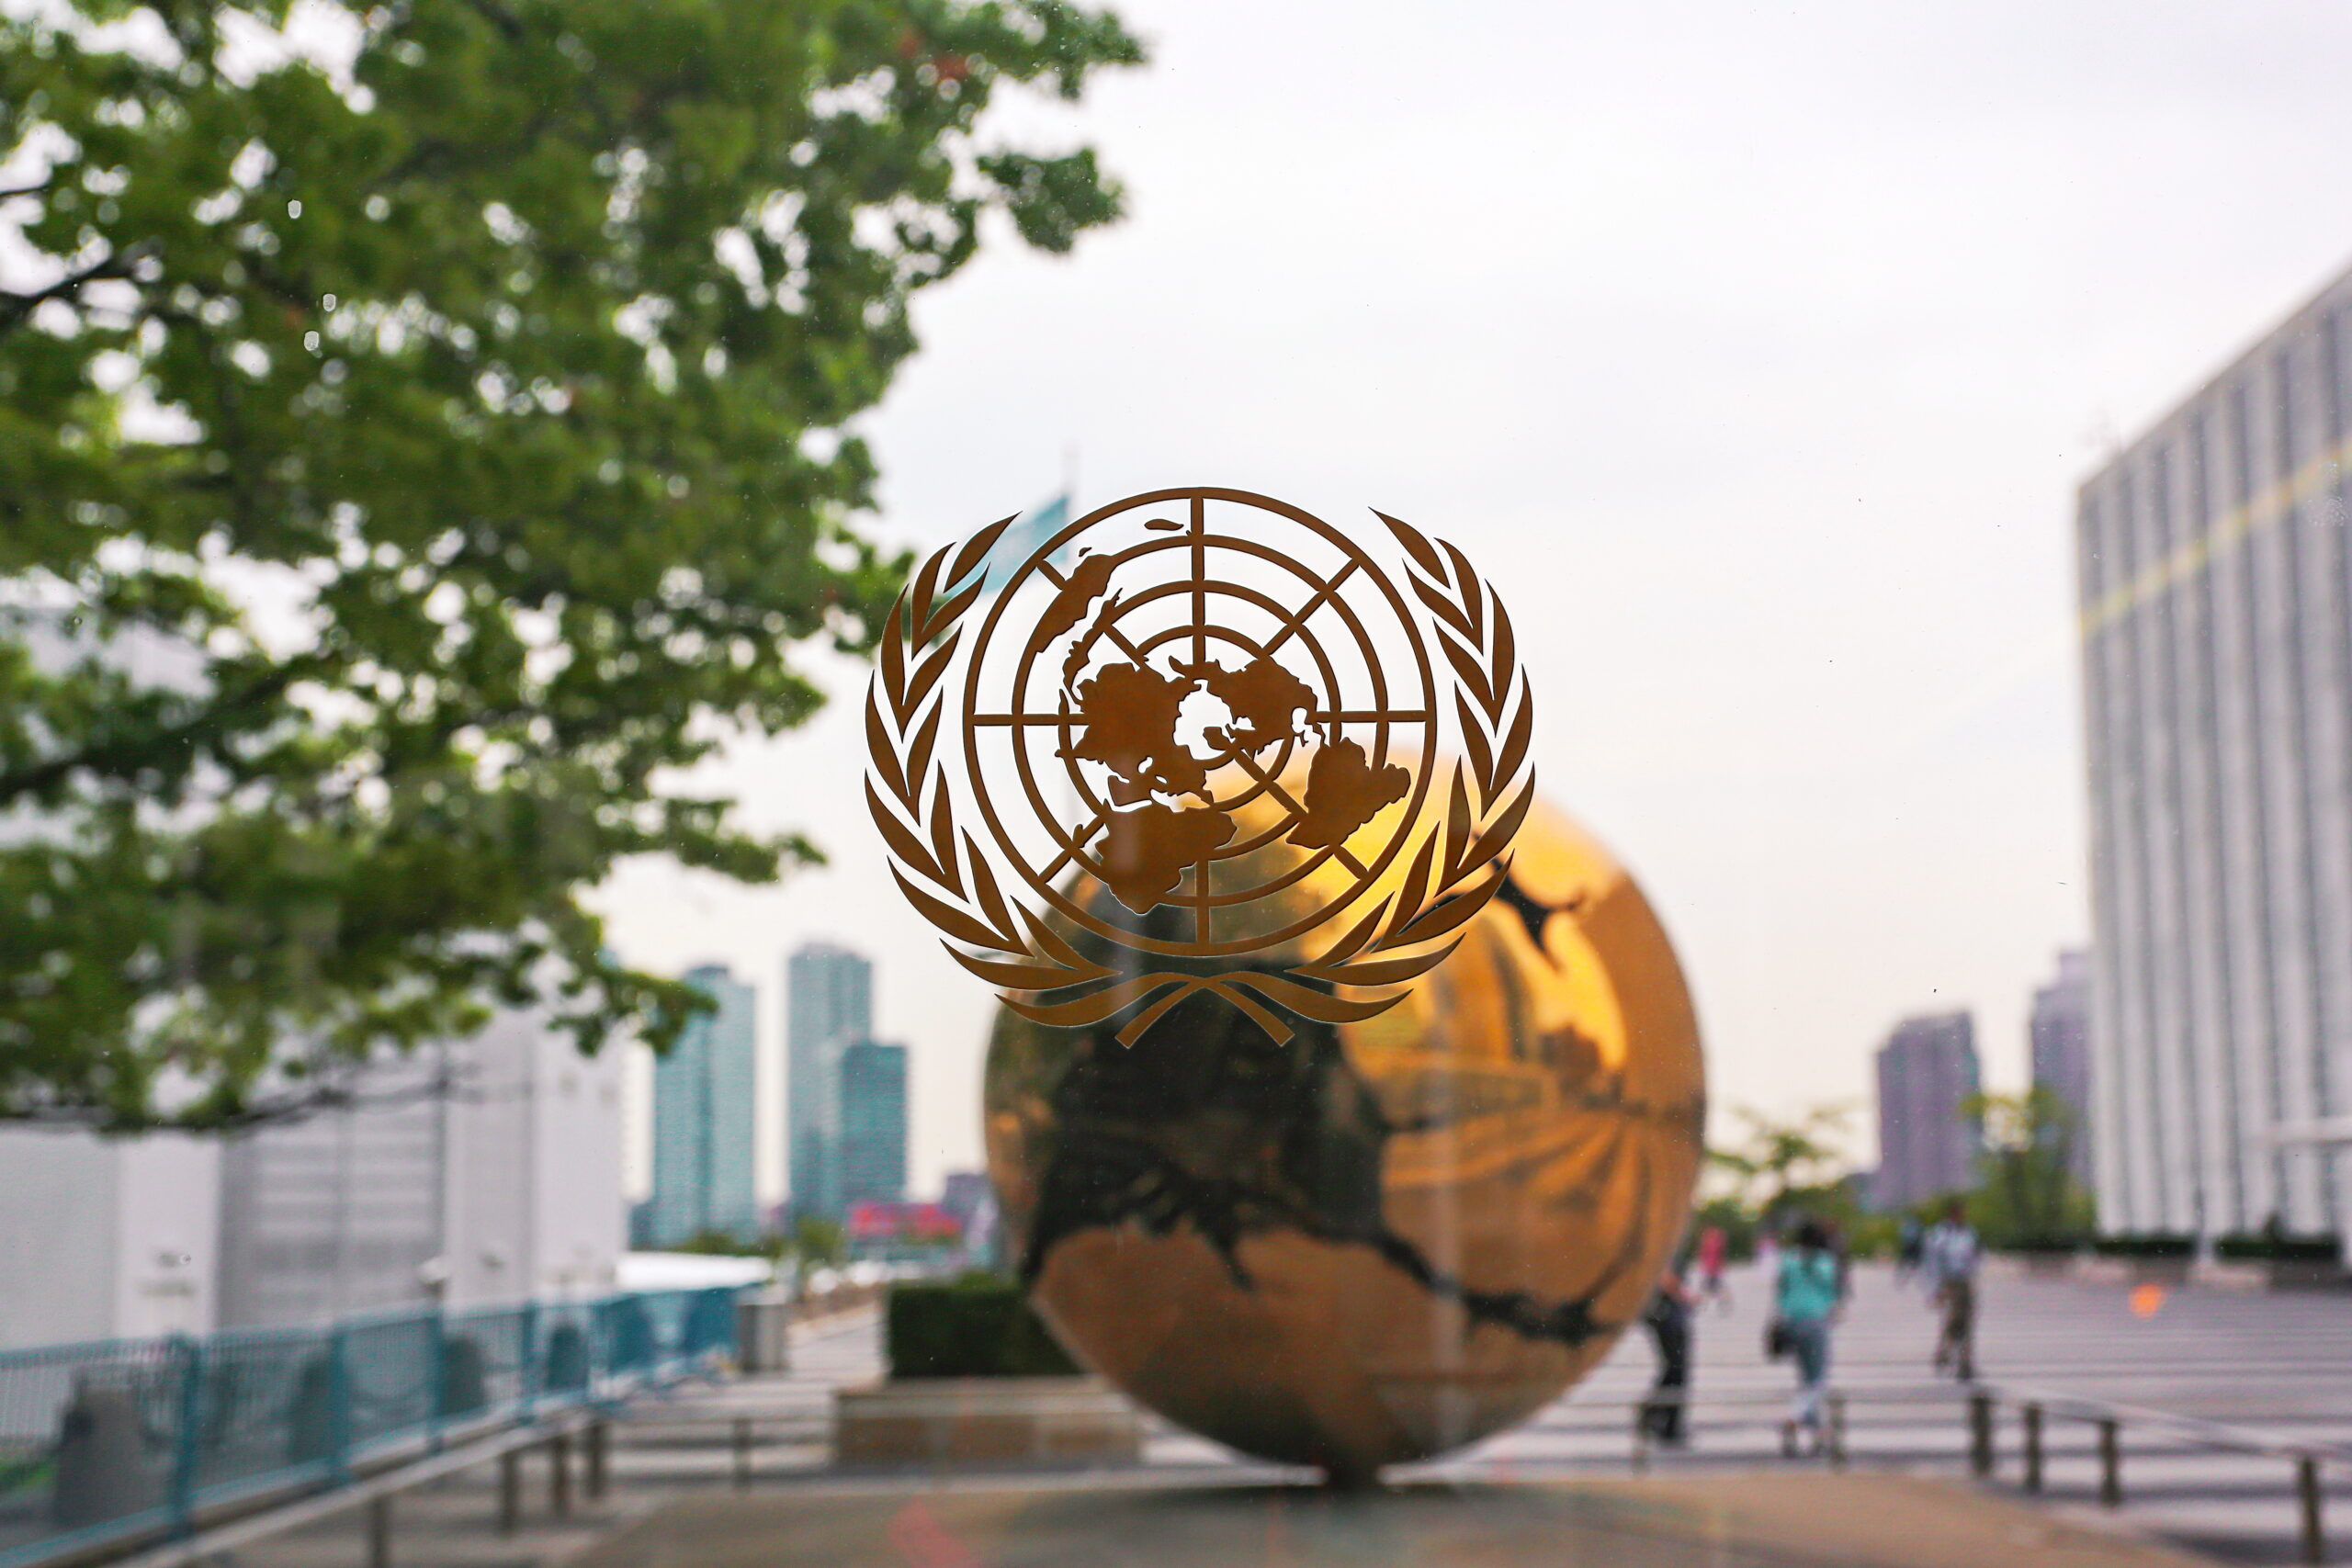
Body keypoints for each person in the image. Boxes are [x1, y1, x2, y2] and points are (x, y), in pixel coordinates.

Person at [1774, 1216, 1841, 1456]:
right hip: (1816, 1323)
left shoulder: (1789, 1260)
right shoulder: (1825, 1262)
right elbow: (1833, 1295)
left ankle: (1818, 1432)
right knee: (1818, 1380)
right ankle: (1794, 1418)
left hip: (1792, 1322)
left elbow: (1780, 1290)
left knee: (1806, 1379)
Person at [1641, 1252, 1697, 1445]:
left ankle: (1654, 1412)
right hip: (1668, 1316)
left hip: (1664, 1315)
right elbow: (1664, 1277)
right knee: (1677, 1369)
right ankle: (1666, 1422)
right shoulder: (1670, 1238)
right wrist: (1684, 1297)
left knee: (1672, 1368)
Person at [1923, 1200, 1982, 1381]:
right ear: (1951, 1214)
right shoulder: (1941, 1235)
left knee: (1968, 1322)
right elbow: (1932, 1263)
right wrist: (1935, 1290)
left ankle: (1965, 1363)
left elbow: (1975, 1256)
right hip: (1948, 1282)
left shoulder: (1969, 1232)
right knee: (1953, 1320)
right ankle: (1944, 1353)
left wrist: (1974, 1278)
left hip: (1965, 1281)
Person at [1695, 1224, 1732, 1310]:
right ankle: (1707, 1303)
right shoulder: (1709, 1243)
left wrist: (1722, 1265)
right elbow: (1703, 1255)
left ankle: (1718, 1302)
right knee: (1709, 1287)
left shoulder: (1717, 1243)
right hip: (1710, 1268)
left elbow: (1721, 1256)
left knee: (1714, 1287)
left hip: (1714, 1268)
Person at [1895, 1216, 1926, 1286]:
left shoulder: (1909, 1227)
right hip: (1912, 1246)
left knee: (1908, 1261)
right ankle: (1906, 1274)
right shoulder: (1916, 1227)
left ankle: (1906, 1275)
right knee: (1910, 1262)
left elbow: (1903, 1236)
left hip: (1911, 1246)